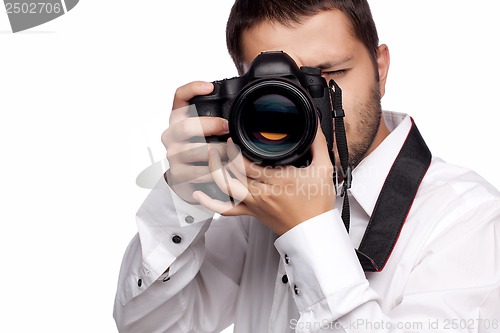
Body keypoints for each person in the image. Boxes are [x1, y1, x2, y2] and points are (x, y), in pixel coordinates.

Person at [113, 0, 500, 332]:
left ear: (380, 69)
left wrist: (305, 230)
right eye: (281, 86)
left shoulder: (469, 219)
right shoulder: (256, 201)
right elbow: (147, 325)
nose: (311, 110)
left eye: (329, 75)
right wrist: (184, 196)